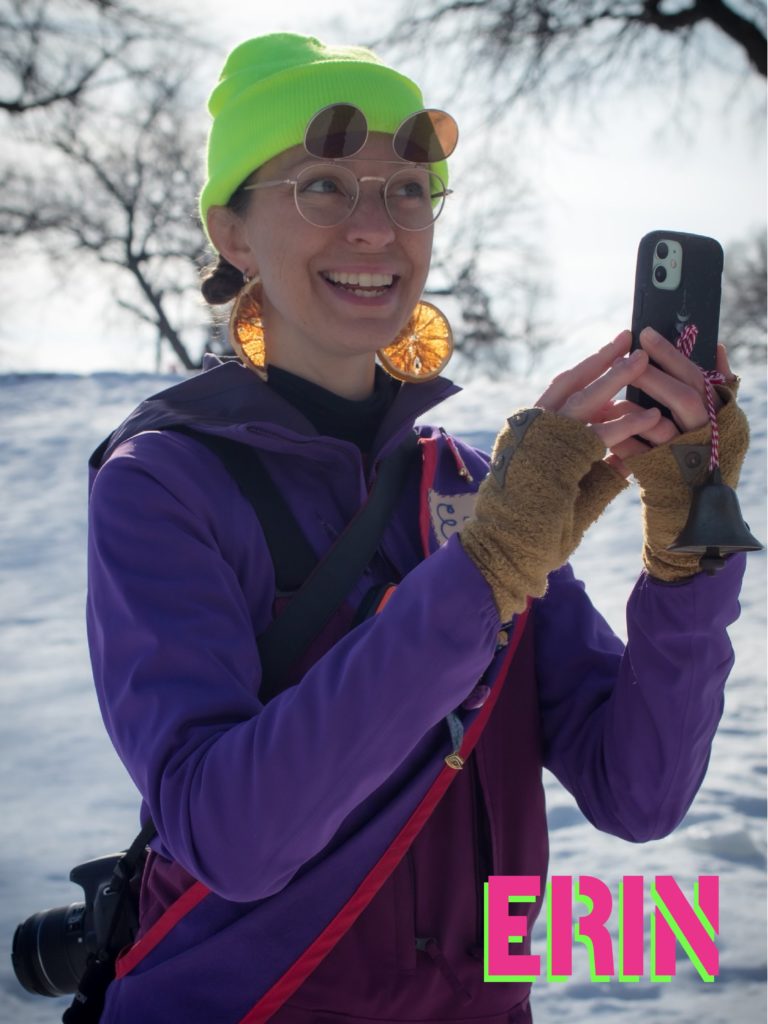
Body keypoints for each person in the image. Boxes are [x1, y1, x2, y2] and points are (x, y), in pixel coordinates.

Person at [86, 32, 750, 1024]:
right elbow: (234, 836)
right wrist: (484, 569)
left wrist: (688, 543)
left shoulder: (469, 483)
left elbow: (636, 790)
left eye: (406, 188)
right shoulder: (164, 485)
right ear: (232, 231)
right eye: (322, 186)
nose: (376, 227)